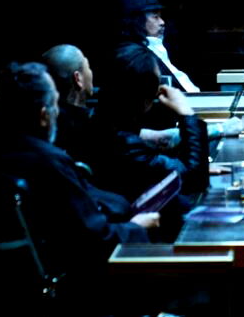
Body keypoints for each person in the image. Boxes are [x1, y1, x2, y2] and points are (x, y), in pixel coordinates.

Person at [0, 62, 155, 277]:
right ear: (44, 115)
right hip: (66, 278)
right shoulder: (49, 163)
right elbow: (96, 240)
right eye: (55, 104)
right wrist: (136, 227)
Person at [84, 43, 209, 238]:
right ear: (144, 96)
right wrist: (186, 113)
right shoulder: (124, 144)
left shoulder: (98, 122)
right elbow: (193, 179)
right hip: (144, 238)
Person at [118, 0, 200, 92]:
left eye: (161, 17)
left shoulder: (160, 47)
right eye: (155, 17)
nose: (162, 22)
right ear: (138, 20)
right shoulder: (135, 56)